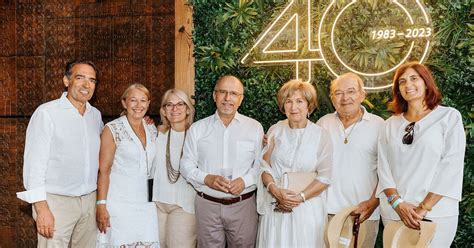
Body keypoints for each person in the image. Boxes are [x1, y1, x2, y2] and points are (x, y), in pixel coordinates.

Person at [377, 62, 466, 247]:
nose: (408, 84)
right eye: (402, 81)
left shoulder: (449, 117)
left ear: (426, 82)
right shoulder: (389, 125)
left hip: (436, 214)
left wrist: (423, 208)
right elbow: (383, 168)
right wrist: (398, 204)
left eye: (414, 78)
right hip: (395, 213)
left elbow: (451, 167)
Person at [16, 60, 102, 247]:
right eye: (80, 78)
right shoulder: (47, 113)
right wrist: (41, 208)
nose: (87, 85)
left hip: (89, 202)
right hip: (56, 203)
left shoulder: (95, 116)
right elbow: (34, 165)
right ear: (66, 80)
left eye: (92, 80)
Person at [180, 75, 264, 248]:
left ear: (240, 99)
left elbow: (261, 164)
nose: (227, 98)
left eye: (234, 93)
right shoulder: (198, 129)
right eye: (223, 92)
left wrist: (245, 181)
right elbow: (185, 165)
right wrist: (206, 179)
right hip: (207, 205)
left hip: (243, 205)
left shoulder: (254, 128)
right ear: (214, 95)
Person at [257, 79, 332, 247]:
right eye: (288, 101)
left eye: (299, 101)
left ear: (309, 106)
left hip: (307, 209)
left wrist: (299, 198)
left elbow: (325, 177)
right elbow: (264, 166)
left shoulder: (321, 135)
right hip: (276, 206)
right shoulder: (275, 130)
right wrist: (274, 190)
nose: (293, 107)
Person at [317, 73, 384, 248]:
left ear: (362, 95)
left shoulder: (380, 126)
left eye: (351, 91)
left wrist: (373, 202)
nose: (345, 98)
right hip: (325, 213)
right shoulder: (322, 124)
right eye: (338, 93)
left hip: (363, 213)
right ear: (332, 98)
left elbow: (388, 170)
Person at [96, 84, 159, 247]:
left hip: (147, 204)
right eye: (133, 100)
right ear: (124, 103)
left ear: (148, 103)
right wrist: (101, 205)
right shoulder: (112, 129)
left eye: (143, 100)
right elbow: (103, 171)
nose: (139, 105)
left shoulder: (152, 128)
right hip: (119, 203)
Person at [152, 88, 196, 247]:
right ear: (163, 111)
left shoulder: (197, 135)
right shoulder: (156, 134)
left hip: (184, 205)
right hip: (156, 204)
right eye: (169, 105)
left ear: (187, 109)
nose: (174, 108)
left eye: (180, 104)